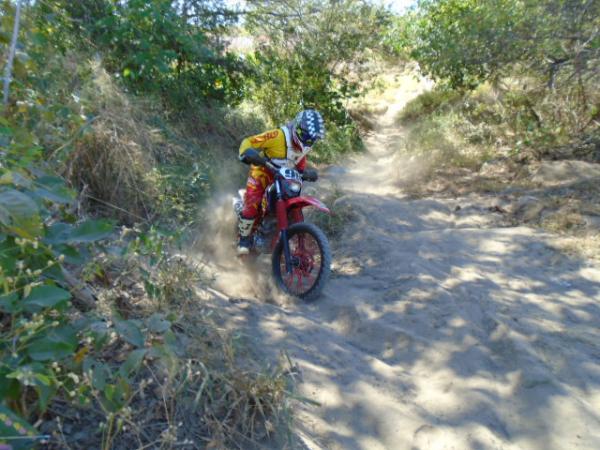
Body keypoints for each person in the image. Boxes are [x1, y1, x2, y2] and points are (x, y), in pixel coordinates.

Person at [237, 109, 325, 255]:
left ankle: (293, 246)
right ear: (297, 128)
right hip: (262, 172)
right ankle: (243, 242)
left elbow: (298, 162)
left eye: (312, 139)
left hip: (283, 178)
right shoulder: (277, 136)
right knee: (253, 202)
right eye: (307, 137)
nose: (309, 141)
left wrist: (306, 173)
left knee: (293, 200)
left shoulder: (304, 147)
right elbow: (249, 141)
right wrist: (246, 153)